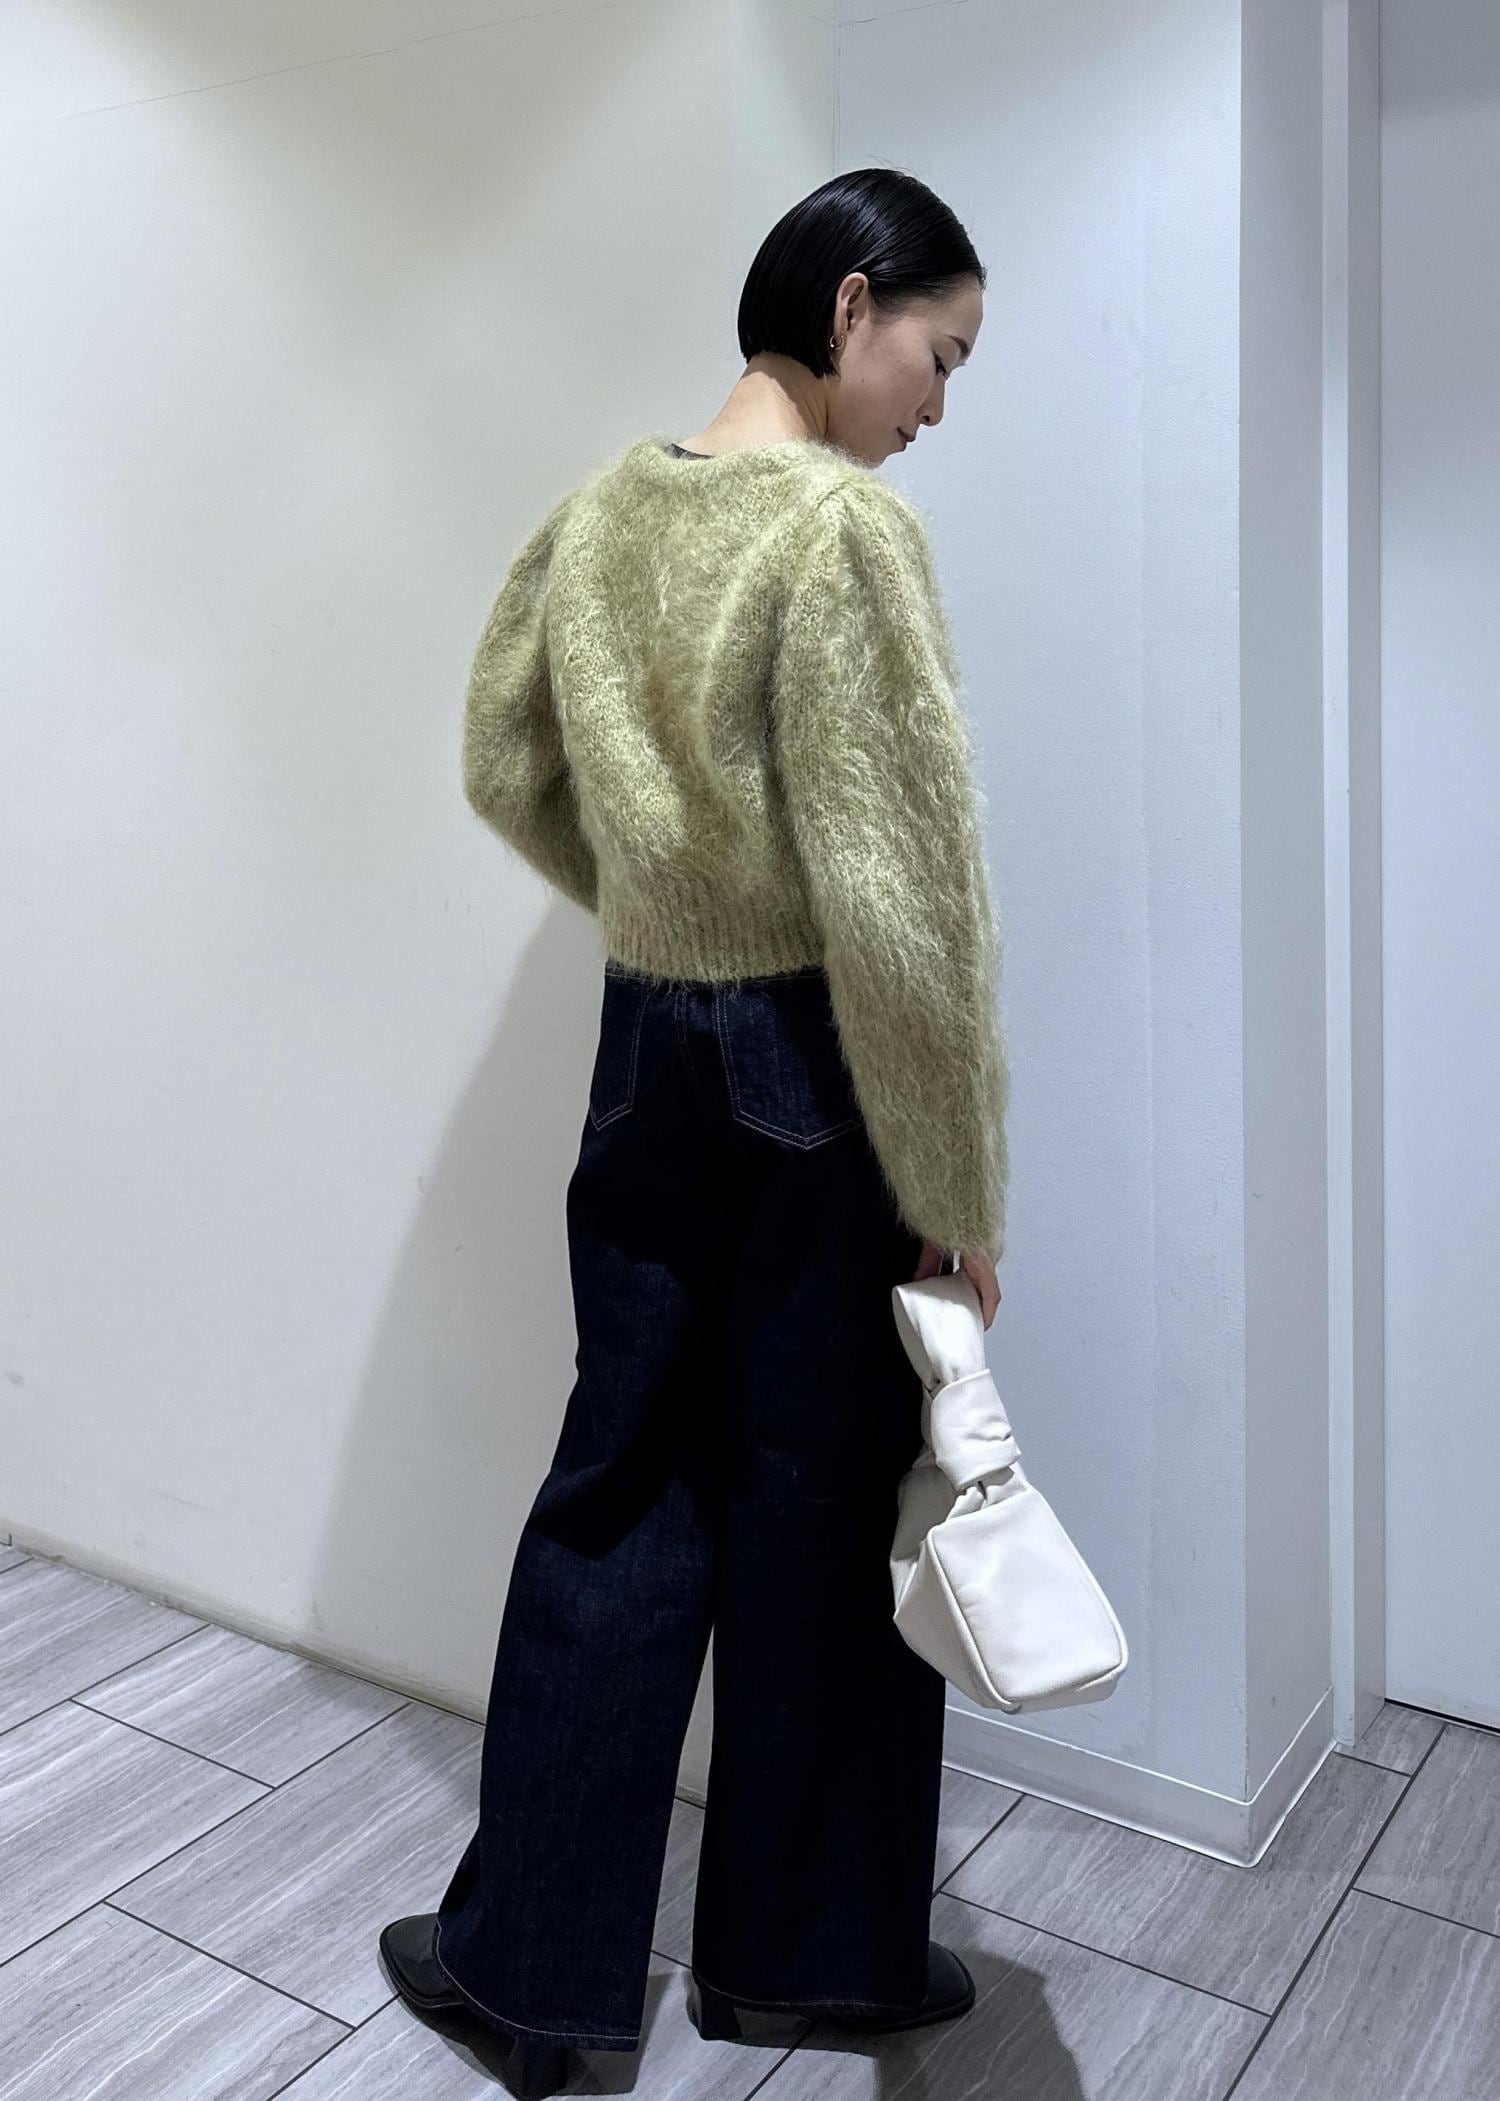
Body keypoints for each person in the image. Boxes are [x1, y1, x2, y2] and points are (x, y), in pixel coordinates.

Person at [379, 166, 1012, 2097]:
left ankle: (528, 1973)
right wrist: (957, 1189)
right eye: (939, 352)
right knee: (819, 1495)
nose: (939, 403)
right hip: (816, 1062)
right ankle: (806, 1959)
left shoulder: (605, 509)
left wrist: (660, 903)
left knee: (620, 1480)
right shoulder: (844, 532)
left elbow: (502, 760)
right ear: (850, 304)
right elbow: (904, 904)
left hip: (648, 1037)